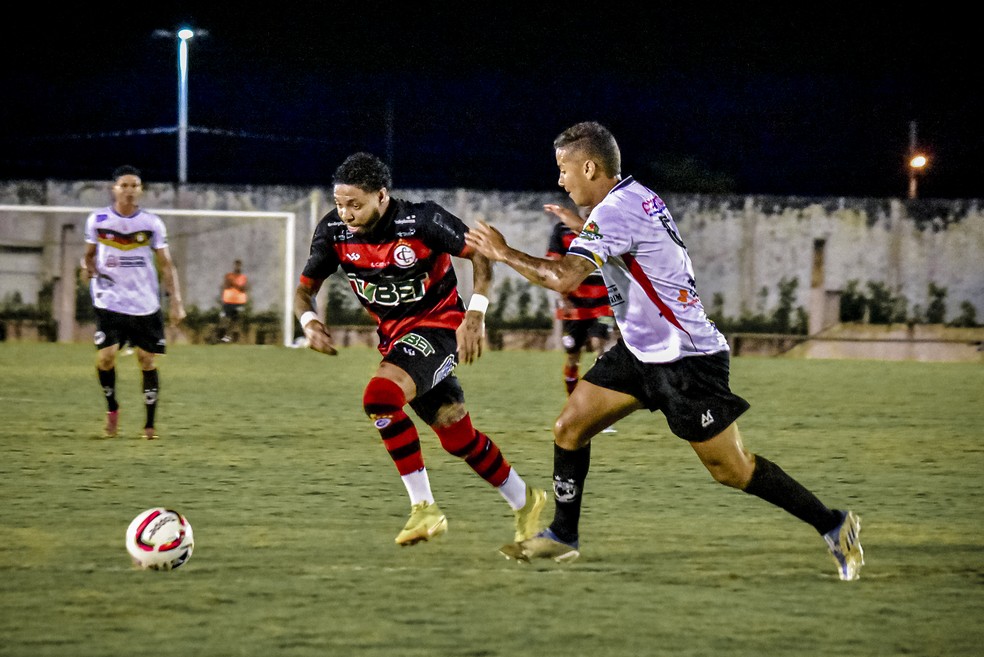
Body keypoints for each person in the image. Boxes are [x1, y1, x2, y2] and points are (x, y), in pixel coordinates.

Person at [464, 121, 864, 580]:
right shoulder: (635, 196)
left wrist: (503, 251)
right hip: (640, 352)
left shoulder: (615, 213)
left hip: (685, 359)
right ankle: (563, 536)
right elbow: (641, 251)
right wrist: (584, 228)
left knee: (732, 470)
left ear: (590, 167)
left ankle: (834, 525)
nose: (560, 180)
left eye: (563, 169)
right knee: (569, 427)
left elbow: (565, 279)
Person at [294, 152, 547, 547]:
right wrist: (309, 323)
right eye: (340, 204)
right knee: (455, 434)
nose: (345, 213)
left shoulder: (422, 220)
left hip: (440, 329)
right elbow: (304, 291)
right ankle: (526, 500)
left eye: (355, 204)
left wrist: (476, 314)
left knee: (380, 397)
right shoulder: (334, 233)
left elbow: (480, 252)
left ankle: (424, 509)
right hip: (397, 341)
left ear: (381, 196)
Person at [83, 165, 186, 440]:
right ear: (114, 188)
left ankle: (149, 425)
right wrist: (88, 267)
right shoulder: (98, 220)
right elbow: (89, 254)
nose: (129, 190)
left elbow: (166, 265)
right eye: (124, 185)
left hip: (144, 303)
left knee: (146, 360)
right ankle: (112, 409)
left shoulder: (151, 223)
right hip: (109, 299)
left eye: (134, 186)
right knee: (105, 358)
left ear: (140, 190)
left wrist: (176, 301)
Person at [545, 205, 617, 432]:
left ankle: (598, 410)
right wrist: (562, 296)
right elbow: (555, 265)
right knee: (573, 357)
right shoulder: (562, 230)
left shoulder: (607, 227)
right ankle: (575, 407)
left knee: (600, 348)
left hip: (602, 302)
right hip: (574, 305)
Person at [217, 259, 249, 343]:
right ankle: (221, 336)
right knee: (225, 318)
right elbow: (225, 285)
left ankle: (230, 337)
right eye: (236, 265)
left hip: (238, 301)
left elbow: (244, 288)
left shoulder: (243, 277)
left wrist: (235, 284)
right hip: (228, 300)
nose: (237, 267)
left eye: (239, 265)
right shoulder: (229, 276)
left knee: (235, 320)